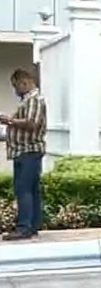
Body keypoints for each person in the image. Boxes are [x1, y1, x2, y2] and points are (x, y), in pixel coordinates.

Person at [0, 68, 47, 241]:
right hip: (24, 151)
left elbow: (32, 124)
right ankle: (32, 225)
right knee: (31, 189)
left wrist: (9, 120)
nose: (15, 91)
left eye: (16, 86)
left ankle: (24, 227)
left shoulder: (34, 100)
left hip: (28, 151)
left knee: (23, 189)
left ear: (24, 82)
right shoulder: (29, 101)